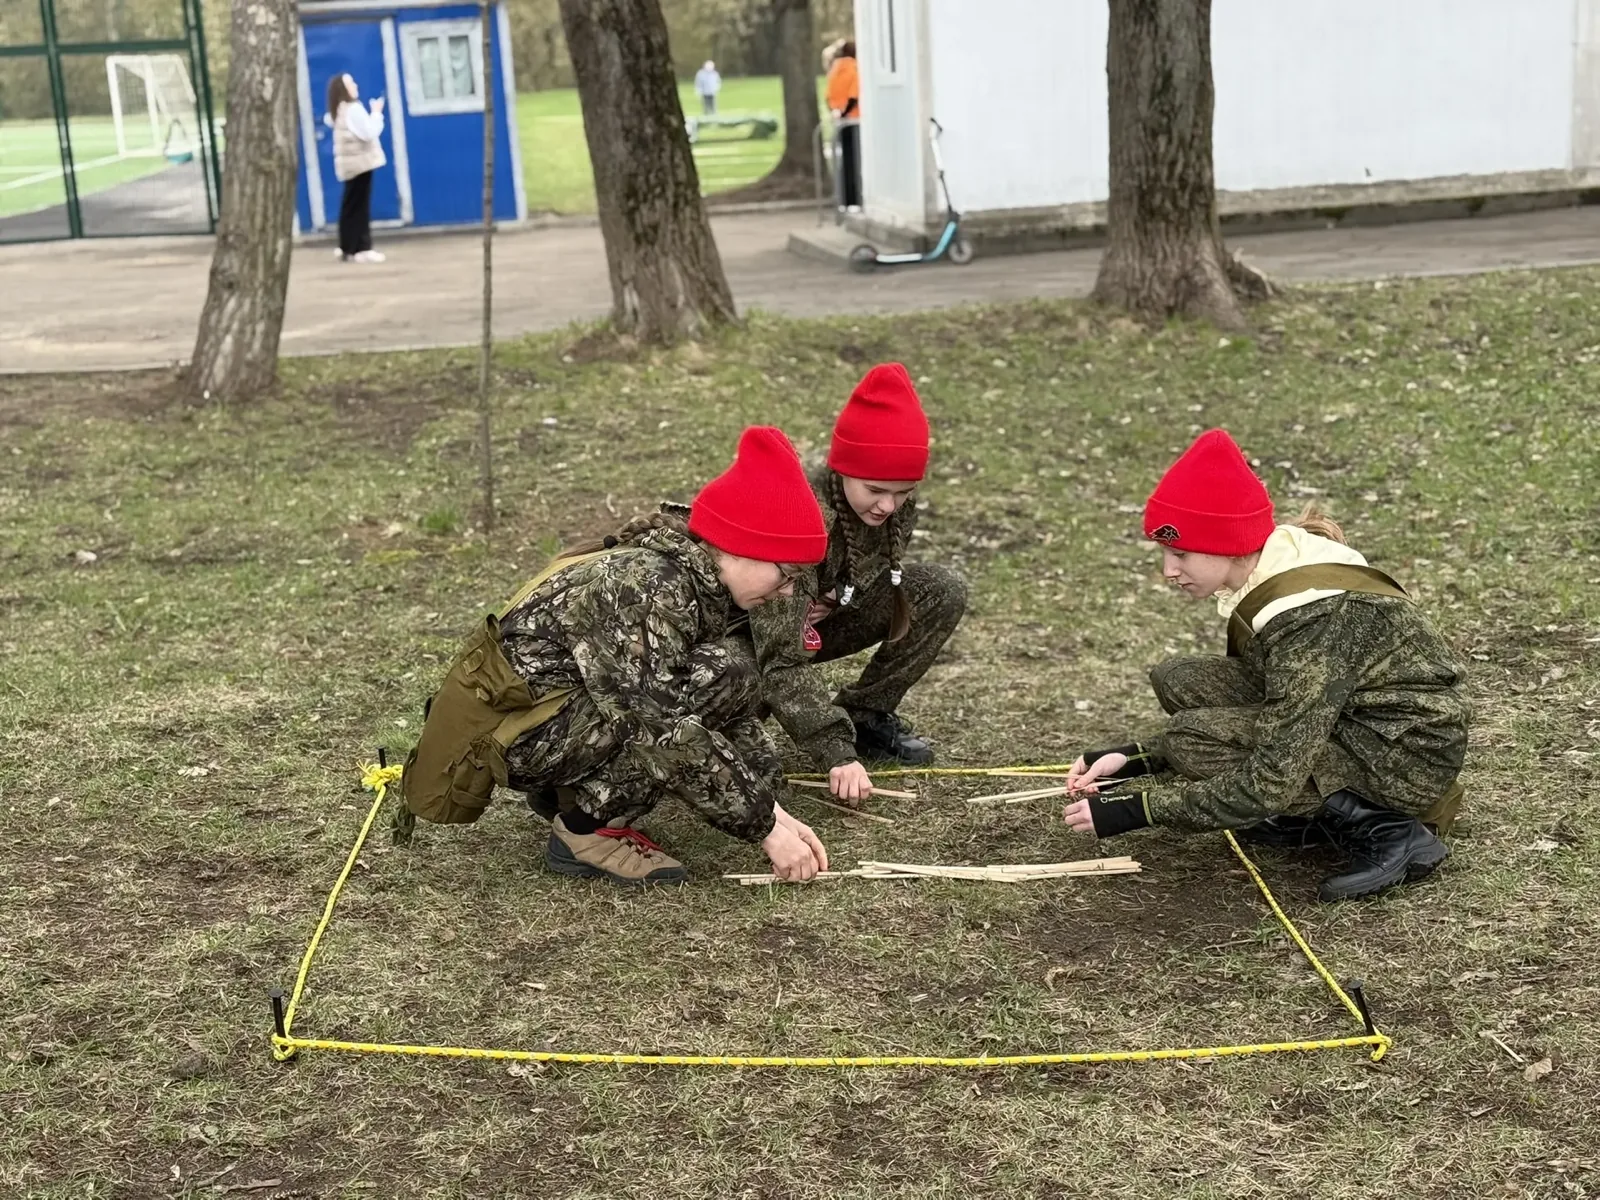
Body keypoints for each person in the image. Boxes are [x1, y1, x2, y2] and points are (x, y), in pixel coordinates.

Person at [403, 427, 833, 887]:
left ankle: (575, 792)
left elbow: (721, 711)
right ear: (740, 548)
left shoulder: (688, 576)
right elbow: (661, 726)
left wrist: (770, 806)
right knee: (721, 674)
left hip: (539, 722)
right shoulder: (644, 589)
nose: (786, 592)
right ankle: (584, 832)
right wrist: (766, 829)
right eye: (785, 574)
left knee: (727, 671)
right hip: (513, 744)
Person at [1060, 429, 1469, 902]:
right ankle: (1319, 814)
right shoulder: (1274, 566)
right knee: (1178, 679)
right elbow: (1280, 704)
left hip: (1405, 758)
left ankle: (1391, 831)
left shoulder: (1314, 617)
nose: (1168, 571)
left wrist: (1139, 809)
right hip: (1360, 724)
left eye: (1179, 553)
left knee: (1192, 741)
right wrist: (1132, 760)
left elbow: (1272, 777)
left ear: (1227, 544)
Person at [740, 363, 967, 806]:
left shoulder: (892, 505)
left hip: (819, 619)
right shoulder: (802, 508)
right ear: (841, 468)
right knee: (741, 706)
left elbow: (873, 568)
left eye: (903, 492)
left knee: (941, 587)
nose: (888, 506)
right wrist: (833, 753)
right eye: (876, 489)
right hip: (754, 635)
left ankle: (866, 715)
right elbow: (779, 649)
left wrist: (833, 596)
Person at [325, 73, 386, 264]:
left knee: (349, 206)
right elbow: (369, 132)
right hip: (360, 163)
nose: (355, 85)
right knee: (360, 206)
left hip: (349, 164)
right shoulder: (354, 109)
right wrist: (376, 113)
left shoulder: (339, 110)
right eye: (350, 83)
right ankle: (362, 248)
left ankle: (347, 246)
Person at [825, 40, 862, 210]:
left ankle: (844, 199)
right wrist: (847, 112)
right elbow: (854, 95)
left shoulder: (834, 70)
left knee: (845, 160)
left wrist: (836, 112)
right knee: (856, 161)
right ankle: (855, 198)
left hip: (839, 121)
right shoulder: (855, 69)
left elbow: (828, 96)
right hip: (854, 120)